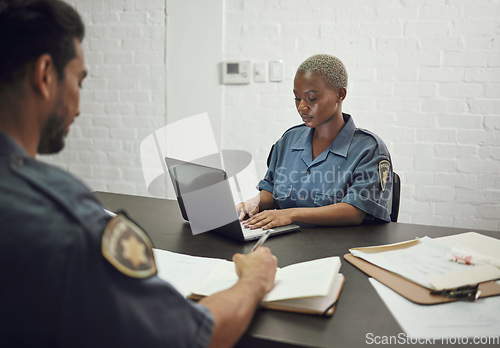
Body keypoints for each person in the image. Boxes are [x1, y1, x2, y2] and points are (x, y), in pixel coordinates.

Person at [0, 1, 277, 347]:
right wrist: (254, 280)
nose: (79, 105)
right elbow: (190, 337)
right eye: (79, 81)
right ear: (45, 75)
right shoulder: (65, 216)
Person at [238, 54, 393, 229]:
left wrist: (290, 214)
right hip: (288, 245)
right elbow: (271, 189)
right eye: (297, 98)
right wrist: (254, 202)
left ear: (340, 95)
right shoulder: (288, 141)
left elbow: (355, 211)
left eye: (312, 98)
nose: (302, 106)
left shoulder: (369, 149)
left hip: (342, 247)